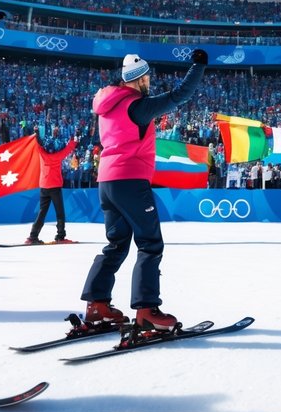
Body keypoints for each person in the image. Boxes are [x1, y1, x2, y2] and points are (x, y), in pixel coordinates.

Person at [79, 50, 206, 333]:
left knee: (116, 245)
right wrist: (198, 66)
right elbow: (179, 95)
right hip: (131, 180)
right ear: (138, 79)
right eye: (147, 77)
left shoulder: (107, 105)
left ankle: (97, 305)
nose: (149, 81)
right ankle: (147, 311)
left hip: (107, 182)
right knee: (149, 244)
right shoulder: (137, 105)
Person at [26, 136, 77, 245]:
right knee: (60, 213)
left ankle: (32, 236)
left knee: (41, 212)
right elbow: (68, 149)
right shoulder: (58, 156)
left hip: (44, 187)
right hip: (55, 187)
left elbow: (37, 144)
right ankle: (60, 236)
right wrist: (73, 139)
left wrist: (36, 133)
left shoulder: (42, 154)